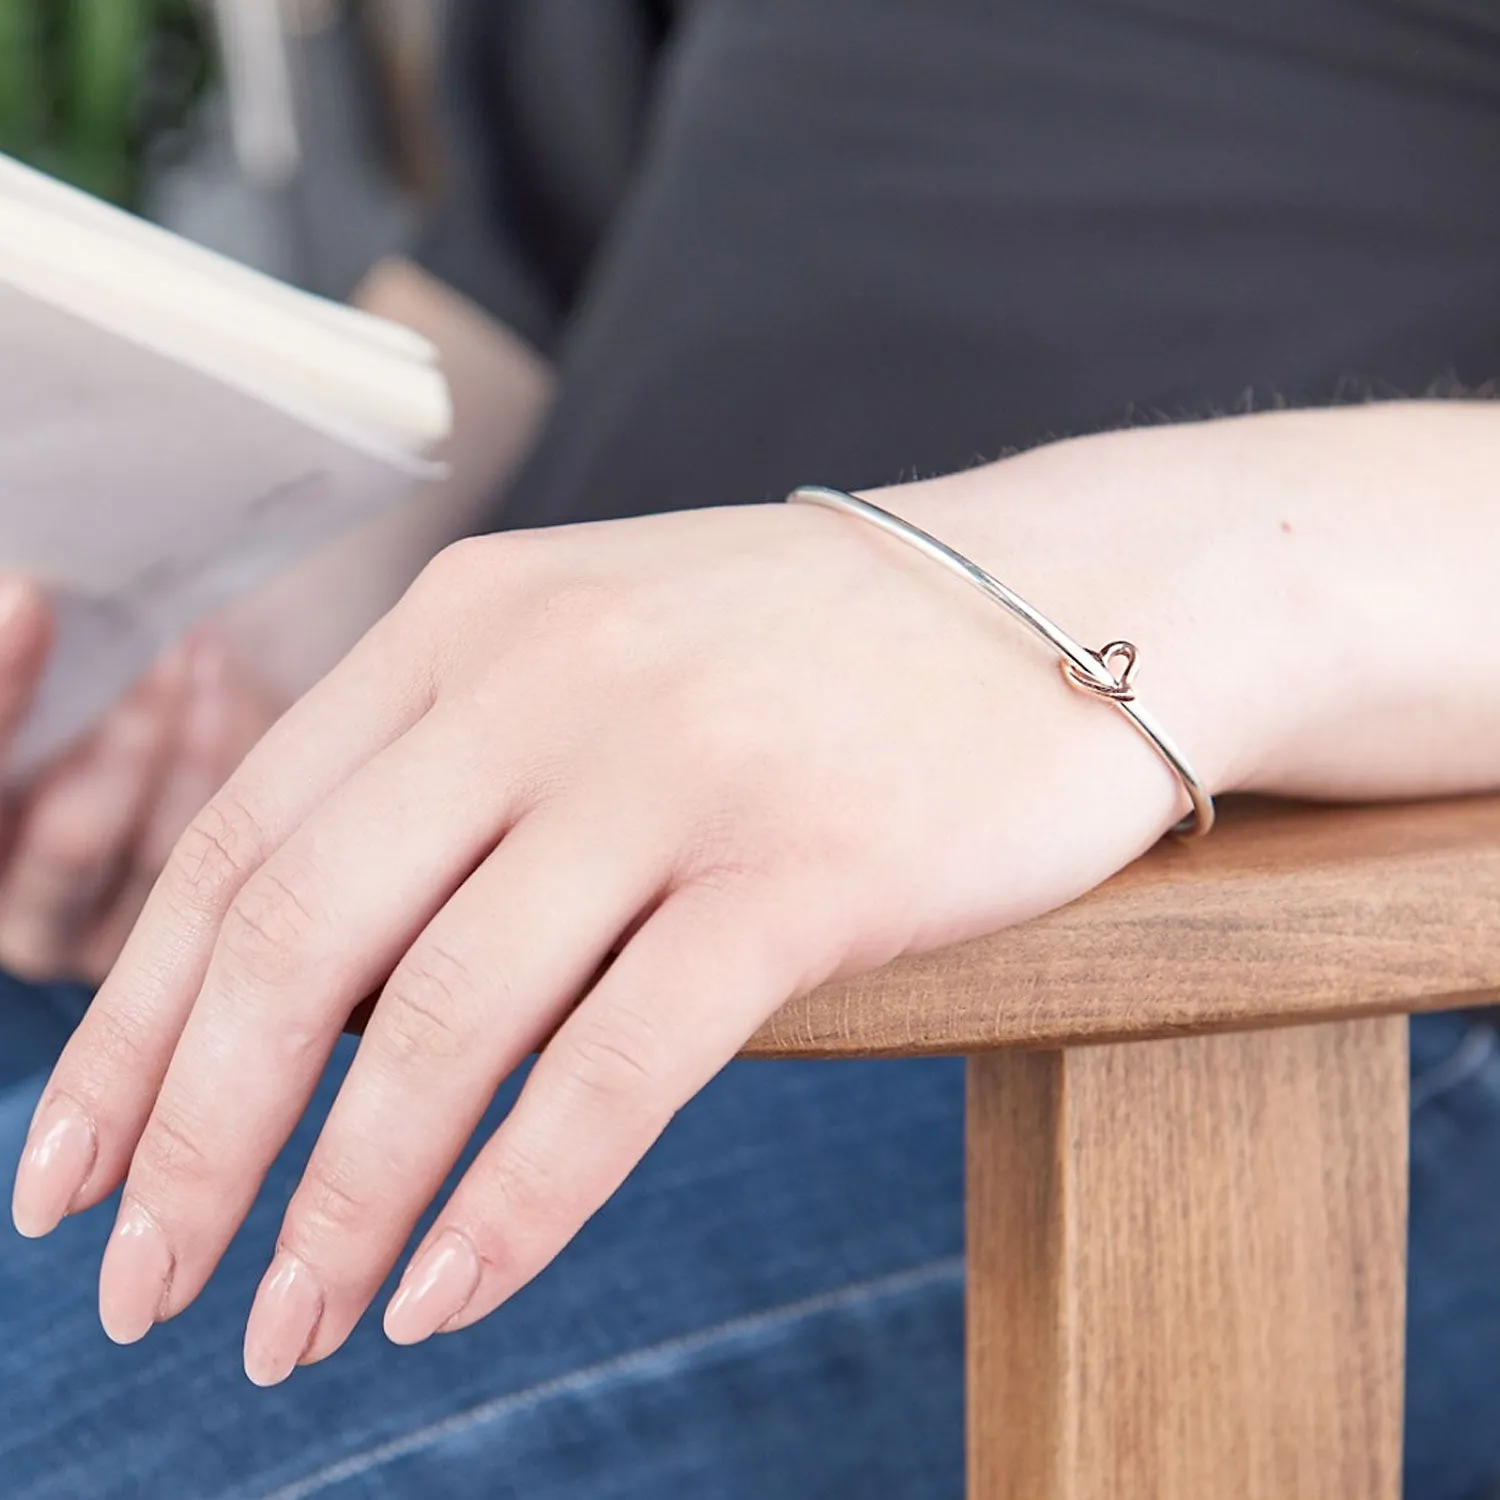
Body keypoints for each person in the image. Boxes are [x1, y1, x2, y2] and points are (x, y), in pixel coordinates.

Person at [4, 1, 1500, 1496]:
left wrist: (1058, 599)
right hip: (524, 864)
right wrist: (200, 630)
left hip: (1241, 1004)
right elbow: (529, 271)